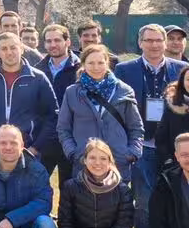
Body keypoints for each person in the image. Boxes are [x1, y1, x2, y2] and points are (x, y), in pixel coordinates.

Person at [113, 23, 188, 228]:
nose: (154, 45)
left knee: (174, 202)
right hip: (141, 146)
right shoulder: (124, 70)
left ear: (165, 43)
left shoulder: (181, 69)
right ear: (140, 43)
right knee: (144, 204)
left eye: (158, 40)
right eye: (149, 40)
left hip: (173, 147)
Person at [57, 43, 145, 182]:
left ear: (107, 63)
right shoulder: (72, 92)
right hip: (84, 163)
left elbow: (136, 127)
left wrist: (132, 153)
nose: (96, 67)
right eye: (91, 63)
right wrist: (73, 152)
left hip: (118, 163)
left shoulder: (123, 91)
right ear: (83, 64)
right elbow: (63, 128)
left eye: (100, 62)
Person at [0, 32, 58, 158]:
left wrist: (36, 147)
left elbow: (52, 115)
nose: (9, 52)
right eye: (4, 49)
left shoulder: (37, 78)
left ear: (21, 49)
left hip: (28, 149)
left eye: (13, 47)